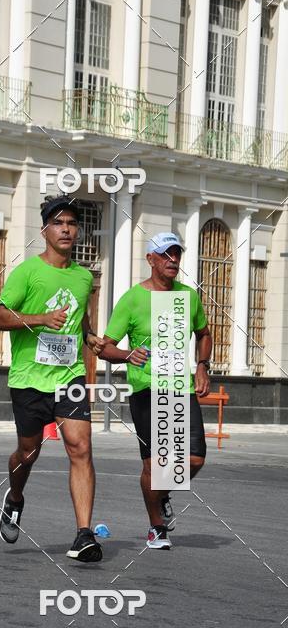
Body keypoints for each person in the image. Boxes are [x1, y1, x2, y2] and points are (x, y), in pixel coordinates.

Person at [0, 195, 105, 562]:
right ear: (45, 230)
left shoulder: (84, 276)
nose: (67, 229)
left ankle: (83, 535)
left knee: (81, 447)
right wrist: (40, 319)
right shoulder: (26, 272)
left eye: (72, 223)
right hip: (28, 378)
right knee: (28, 453)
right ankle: (15, 498)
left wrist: (90, 337)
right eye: (59, 223)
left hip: (69, 375)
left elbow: (80, 320)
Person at [100, 232, 212, 549]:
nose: (172, 260)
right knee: (155, 464)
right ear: (150, 259)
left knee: (195, 459)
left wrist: (202, 365)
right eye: (165, 254)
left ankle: (161, 494)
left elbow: (204, 333)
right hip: (146, 388)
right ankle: (156, 528)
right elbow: (105, 348)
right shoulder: (133, 299)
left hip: (180, 387)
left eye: (176, 254)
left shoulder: (188, 297)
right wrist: (126, 355)